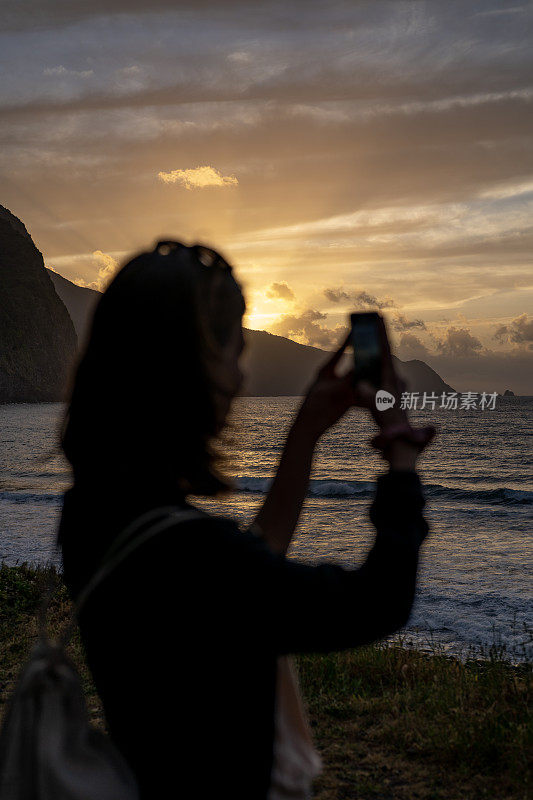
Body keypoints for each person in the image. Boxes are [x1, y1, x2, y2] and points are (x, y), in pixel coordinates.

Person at [57, 240, 435, 800]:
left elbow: (247, 564)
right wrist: (400, 454)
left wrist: (305, 433)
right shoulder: (197, 558)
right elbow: (378, 600)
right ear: (191, 367)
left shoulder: (92, 515)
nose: (240, 379)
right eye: (234, 351)